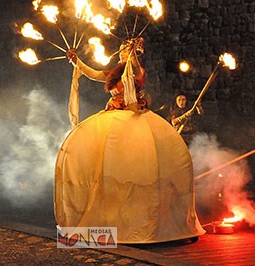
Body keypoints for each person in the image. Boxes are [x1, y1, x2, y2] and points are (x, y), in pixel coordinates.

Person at [55, 38, 205, 243]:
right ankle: (104, 220)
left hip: (134, 114)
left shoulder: (137, 72)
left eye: (125, 50)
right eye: (122, 50)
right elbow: (93, 74)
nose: (122, 53)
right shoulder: (115, 73)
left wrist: (134, 52)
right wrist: (76, 61)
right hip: (112, 114)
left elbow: (134, 68)